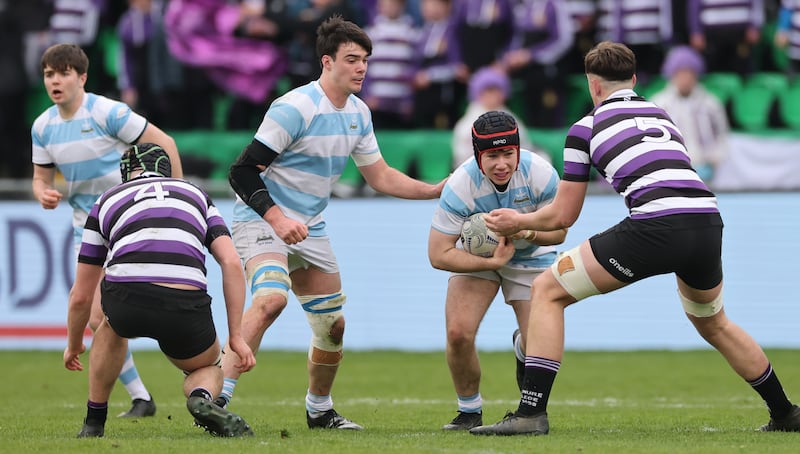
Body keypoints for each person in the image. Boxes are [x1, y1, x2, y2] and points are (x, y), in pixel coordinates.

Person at [470, 41, 800, 436]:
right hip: (707, 221)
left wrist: (515, 222)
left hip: (656, 225)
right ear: (635, 80)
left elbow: (563, 216)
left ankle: (530, 414)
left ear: (593, 86)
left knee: (547, 291)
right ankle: (785, 413)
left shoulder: (585, 128)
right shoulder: (662, 114)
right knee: (714, 323)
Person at [222, 14, 445, 430]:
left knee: (333, 325)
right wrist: (278, 218)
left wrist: (432, 190)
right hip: (260, 219)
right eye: (352, 60)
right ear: (327, 62)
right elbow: (242, 172)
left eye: (366, 60)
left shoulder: (359, 112)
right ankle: (216, 400)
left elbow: (379, 176)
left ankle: (319, 410)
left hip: (310, 228)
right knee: (271, 299)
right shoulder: (294, 108)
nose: (362, 68)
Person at [31, 43, 183, 418]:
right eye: (50, 74)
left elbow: (164, 143)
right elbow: (40, 177)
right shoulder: (43, 127)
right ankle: (141, 398)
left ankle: (192, 376)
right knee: (99, 317)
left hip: (128, 223)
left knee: (132, 310)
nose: (56, 80)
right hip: (87, 228)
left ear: (81, 77)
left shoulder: (107, 112)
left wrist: (181, 196)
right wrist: (43, 193)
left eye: (64, 72)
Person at [63, 143, 256, 438]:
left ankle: (94, 422)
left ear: (126, 173)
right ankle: (200, 398)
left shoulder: (106, 200)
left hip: (127, 299)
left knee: (110, 328)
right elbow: (230, 261)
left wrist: (74, 342)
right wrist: (237, 337)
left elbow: (81, 294)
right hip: (185, 303)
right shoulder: (195, 194)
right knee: (207, 366)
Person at [428, 110, 565, 431]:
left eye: (508, 153)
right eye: (492, 155)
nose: (502, 163)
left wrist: (523, 231)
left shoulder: (542, 174)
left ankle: (522, 348)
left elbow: (559, 232)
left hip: (532, 253)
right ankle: (469, 411)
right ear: (477, 156)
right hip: (481, 259)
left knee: (539, 346)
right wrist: (492, 262)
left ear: (518, 150)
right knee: (458, 333)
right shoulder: (461, 185)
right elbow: (438, 254)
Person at [651, 45, 729, 183]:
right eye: (680, 73)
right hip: (670, 172)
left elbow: (721, 134)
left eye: (689, 73)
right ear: (671, 74)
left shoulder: (710, 104)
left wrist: (714, 159)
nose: (685, 78)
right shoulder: (659, 104)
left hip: (705, 169)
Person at [451, 67, 543, 169]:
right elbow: (462, 154)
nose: (493, 95)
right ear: (479, 93)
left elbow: (524, 145)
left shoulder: (510, 116)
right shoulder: (468, 121)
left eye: (496, 91)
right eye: (488, 91)